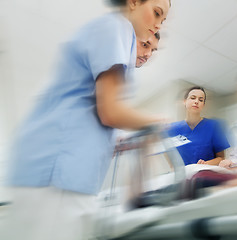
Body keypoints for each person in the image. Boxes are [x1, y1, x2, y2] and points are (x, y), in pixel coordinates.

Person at [2, 0, 171, 240]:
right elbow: (111, 112)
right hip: (58, 174)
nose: (157, 25)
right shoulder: (118, 28)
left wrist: (117, 142)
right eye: (156, 14)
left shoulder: (111, 32)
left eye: (162, 20)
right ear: (133, 2)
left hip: (51, 170)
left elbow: (96, 113)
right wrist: (156, 121)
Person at [168, 86, 230, 166]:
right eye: (193, 98)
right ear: (184, 101)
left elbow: (221, 158)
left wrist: (205, 164)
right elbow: (168, 154)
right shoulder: (173, 129)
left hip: (207, 174)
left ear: (203, 105)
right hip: (183, 177)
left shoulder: (214, 126)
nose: (196, 101)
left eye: (201, 100)